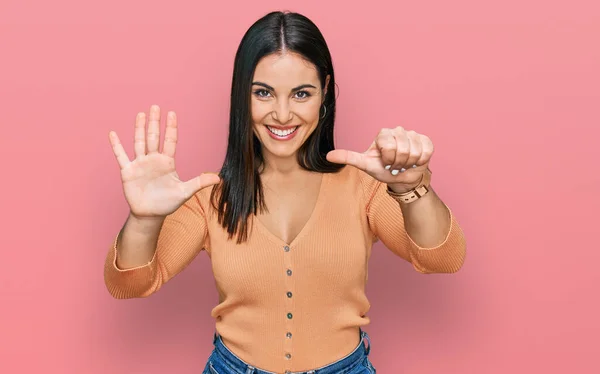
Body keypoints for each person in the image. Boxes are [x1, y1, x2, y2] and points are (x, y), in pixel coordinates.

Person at [104, 10, 466, 374]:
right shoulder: (210, 197)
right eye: (263, 93)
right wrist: (143, 219)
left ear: (324, 91)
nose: (281, 114)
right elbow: (129, 284)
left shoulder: (364, 187)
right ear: (241, 95)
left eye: (300, 94)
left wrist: (411, 188)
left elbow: (443, 258)